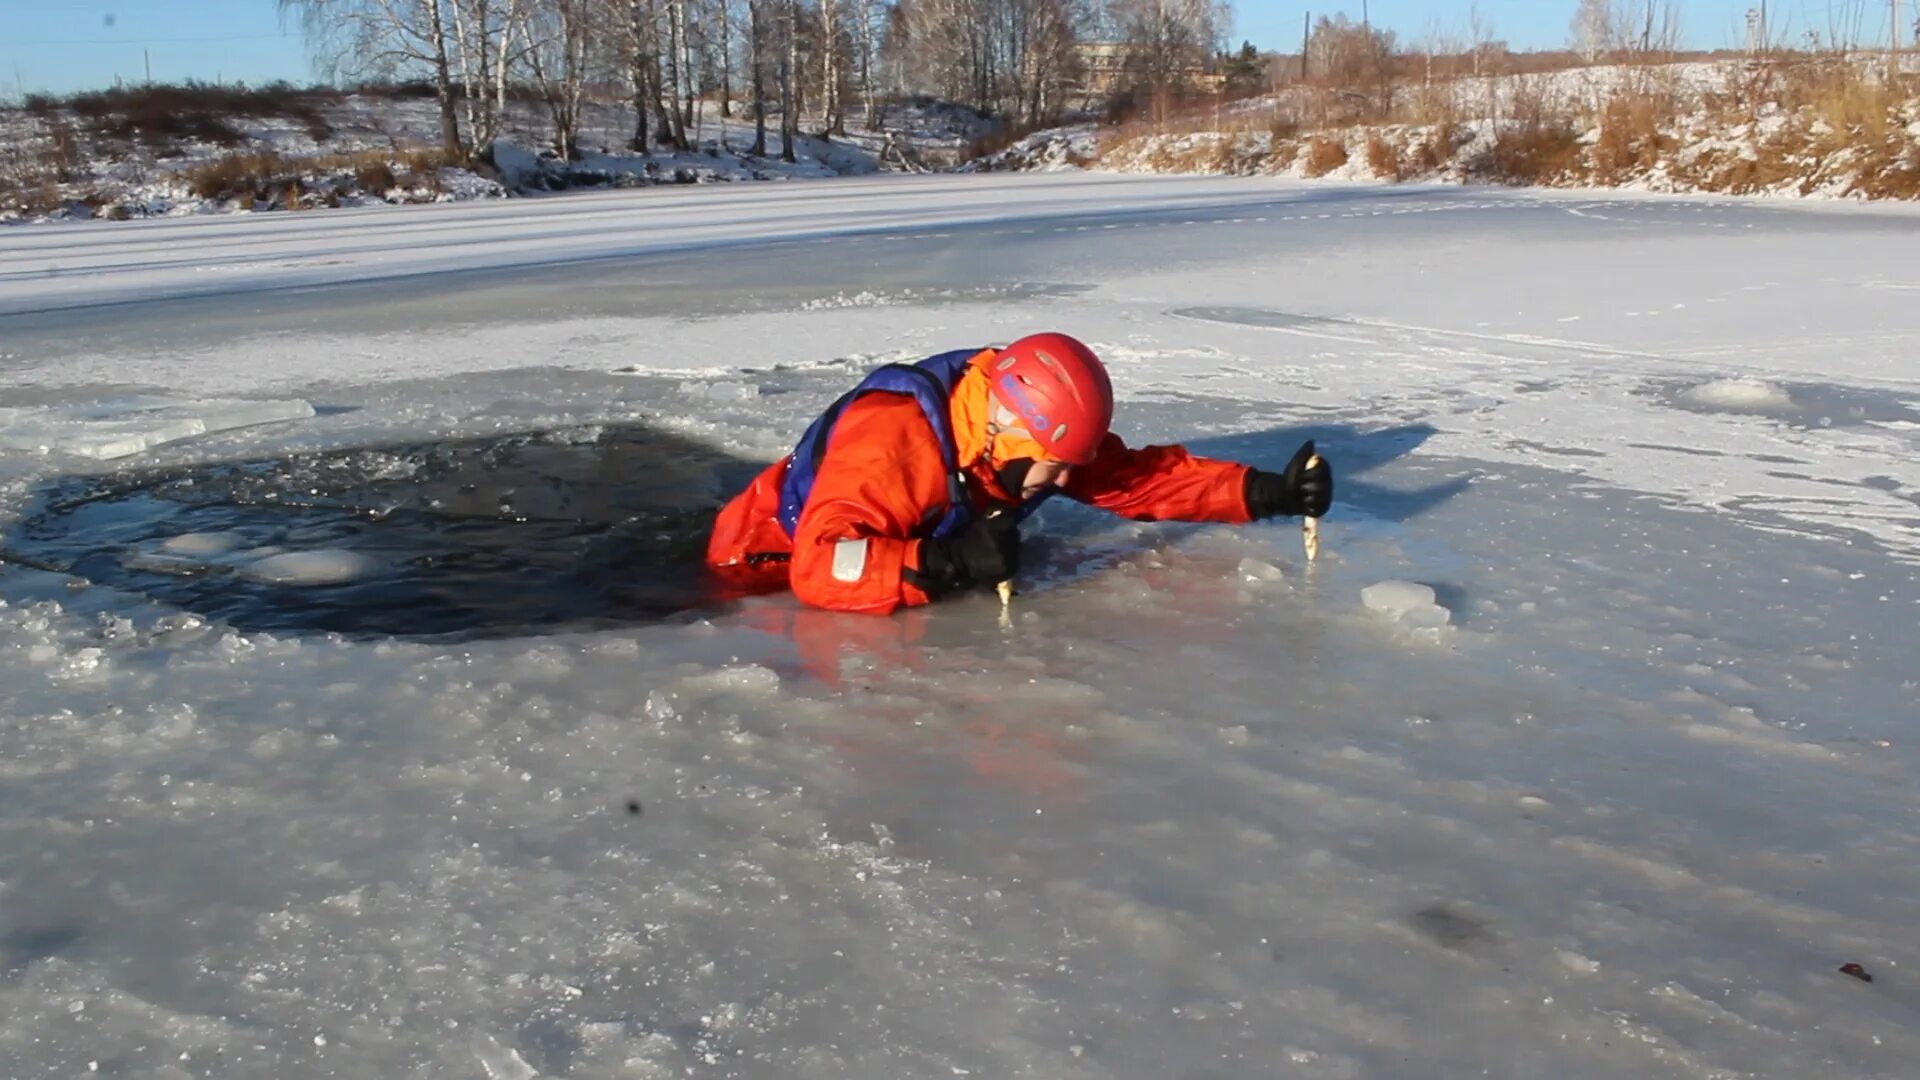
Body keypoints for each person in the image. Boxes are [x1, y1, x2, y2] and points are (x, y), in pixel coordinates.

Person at [705, 332, 1332, 615]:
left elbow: (1131, 479)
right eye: (1052, 468)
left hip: (864, 544)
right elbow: (820, 568)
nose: (1061, 485)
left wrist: (1261, 491)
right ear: (1008, 431)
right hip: (759, 563)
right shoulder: (894, 441)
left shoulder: (1019, 430)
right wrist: (948, 562)